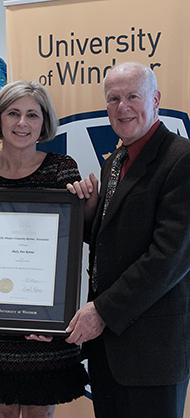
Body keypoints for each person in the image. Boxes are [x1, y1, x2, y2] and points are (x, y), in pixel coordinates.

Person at [0, 80, 90, 418]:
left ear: (43, 123)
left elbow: (71, 247)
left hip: (44, 323)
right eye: (13, 113)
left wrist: (89, 199)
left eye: (32, 115)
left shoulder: (62, 169)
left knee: (37, 413)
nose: (22, 123)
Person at [66, 61, 190, 418]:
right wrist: (88, 213)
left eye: (133, 96)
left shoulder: (181, 160)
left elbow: (169, 256)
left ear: (155, 99)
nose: (123, 107)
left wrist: (102, 311)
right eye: (113, 99)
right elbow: (114, 241)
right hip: (110, 352)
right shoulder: (116, 161)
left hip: (152, 354)